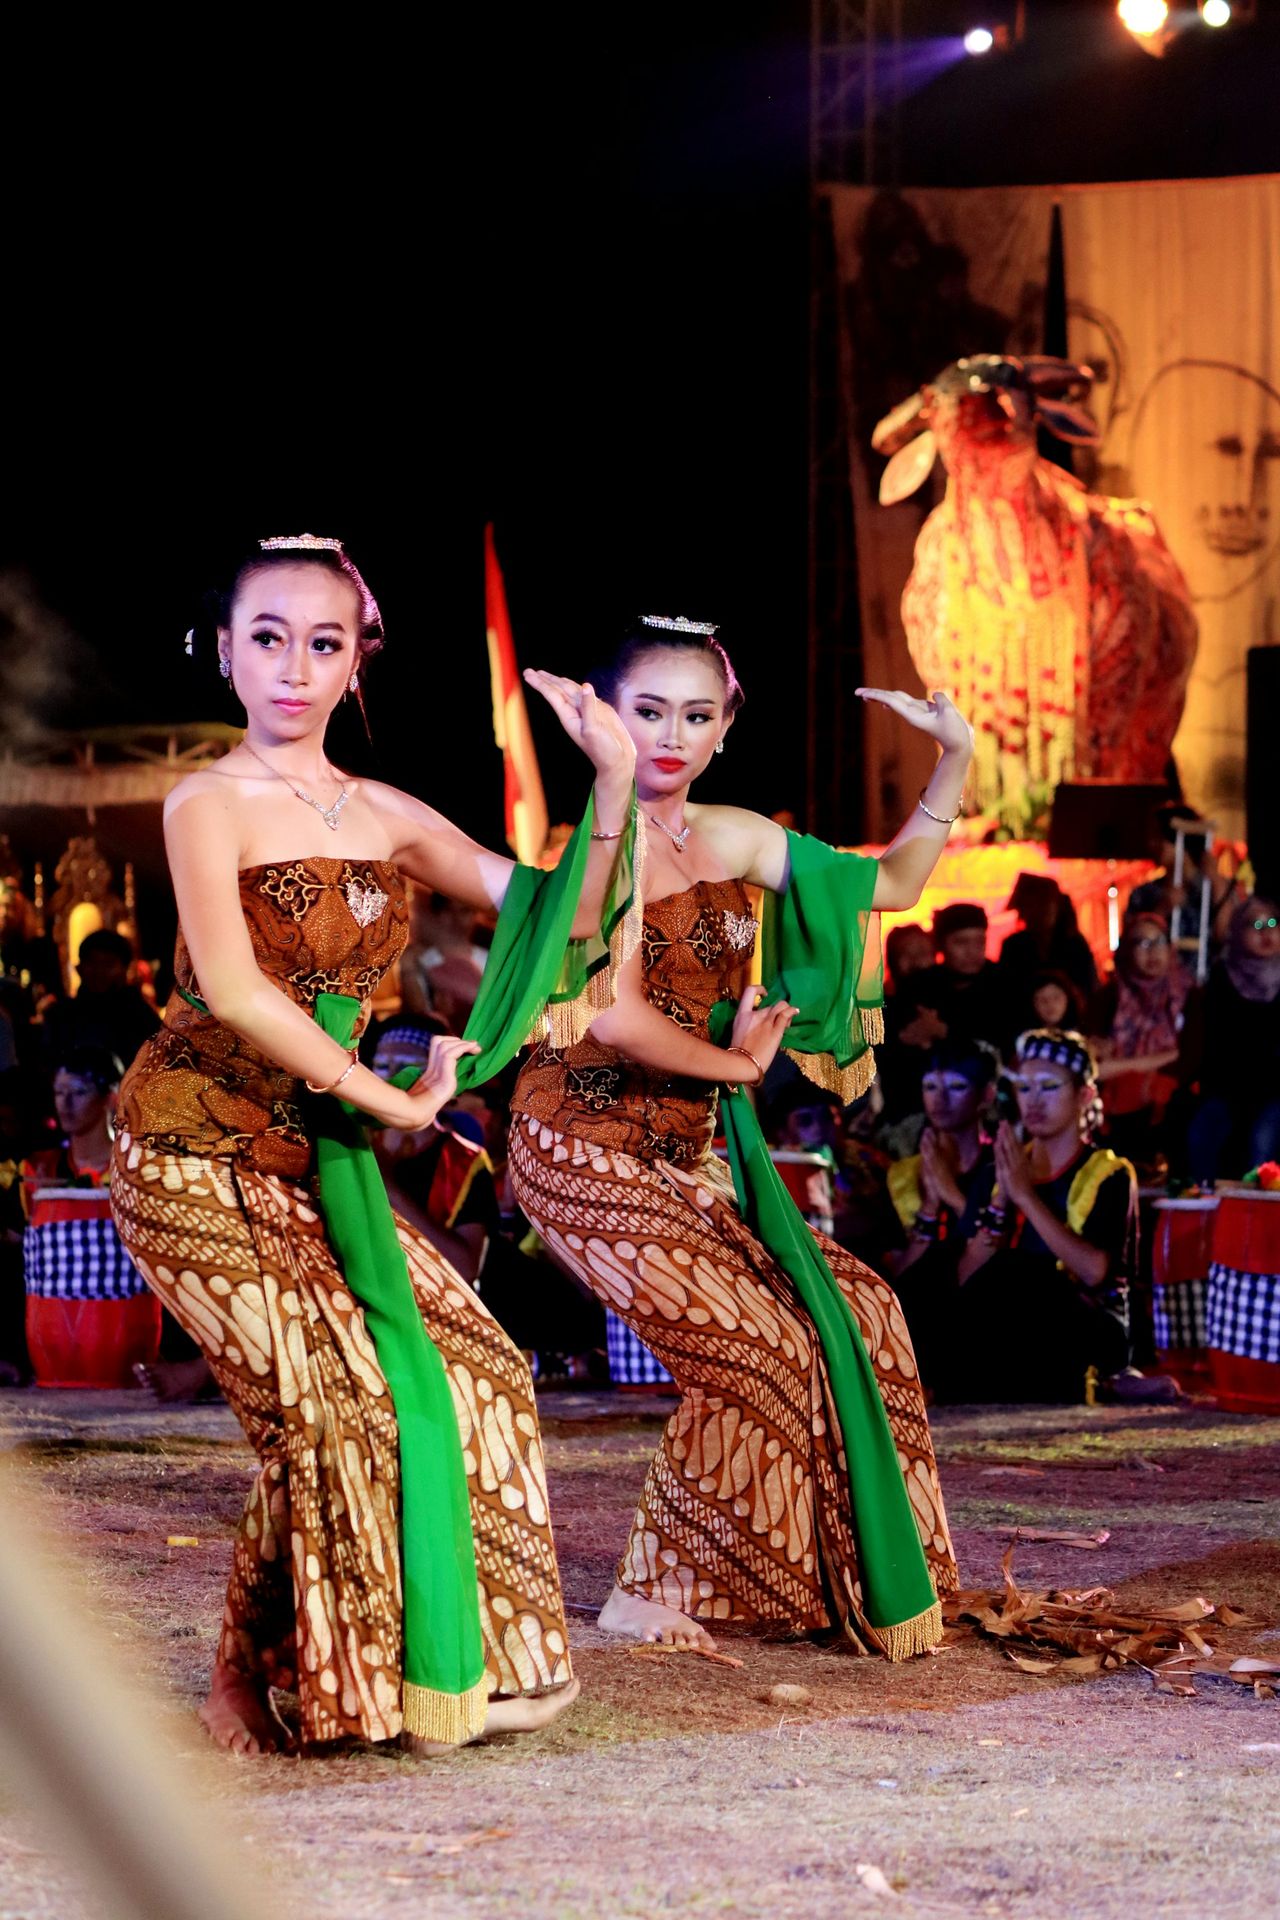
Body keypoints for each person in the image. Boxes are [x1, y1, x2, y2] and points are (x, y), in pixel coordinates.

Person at [110, 533, 638, 1757]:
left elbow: (557, 922)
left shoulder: (391, 815)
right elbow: (237, 993)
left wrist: (610, 788)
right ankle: (244, 1677)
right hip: (185, 1149)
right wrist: (394, 1100)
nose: (296, 666)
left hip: (317, 1164)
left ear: (360, 662)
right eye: (270, 637)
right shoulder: (205, 802)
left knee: (484, 1374)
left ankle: (465, 1664)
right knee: (324, 1406)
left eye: (326, 642)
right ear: (224, 654)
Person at [508, 615, 967, 1661]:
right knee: (750, 1349)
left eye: (696, 714)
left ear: (724, 728)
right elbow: (612, 1011)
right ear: (604, 718)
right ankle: (647, 1589)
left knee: (864, 1310)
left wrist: (955, 758)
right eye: (648, 710)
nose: (671, 734)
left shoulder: (738, 836)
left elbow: (890, 887)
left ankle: (845, 1576)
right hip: (577, 1148)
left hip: (685, 1159)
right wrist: (738, 1068)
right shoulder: (585, 846)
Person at [942, 1030, 1134, 1403]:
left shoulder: (1109, 1173)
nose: (1033, 1101)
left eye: (1048, 1087)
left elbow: (1095, 1271)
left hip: (1085, 1322)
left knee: (1024, 1274)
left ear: (1084, 1095)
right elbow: (967, 1275)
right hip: (1013, 1319)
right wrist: (1001, 1200)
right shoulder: (1002, 1167)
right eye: (1025, 1088)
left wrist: (1026, 1197)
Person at [886, 1039, 997, 1390]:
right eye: (930, 1087)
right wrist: (931, 1208)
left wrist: (952, 1192)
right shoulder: (905, 1174)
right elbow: (898, 1275)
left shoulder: (1002, 1166)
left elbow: (1005, 1250)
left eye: (957, 1087)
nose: (940, 1099)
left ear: (987, 1096)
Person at [1182, 895, 1280, 1182]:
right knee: (1202, 1134)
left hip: (1275, 1090)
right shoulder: (1222, 979)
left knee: (1263, 1140)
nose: (1266, 932)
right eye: (1255, 924)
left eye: (1272, 923)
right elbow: (1213, 1046)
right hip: (1229, 1089)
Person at [1087, 911, 1192, 1170]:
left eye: (1158, 942)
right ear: (1127, 951)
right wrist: (1161, 1057)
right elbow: (1094, 1065)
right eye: (1141, 943)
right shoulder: (1108, 998)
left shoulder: (1188, 996)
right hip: (1115, 1106)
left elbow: (1189, 1057)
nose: (1152, 952)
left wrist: (1121, 1064)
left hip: (1171, 1101)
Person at [43, 929, 159, 1069]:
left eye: (108, 964)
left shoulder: (140, 1016)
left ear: (125, 968)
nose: (99, 971)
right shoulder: (62, 1016)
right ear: (79, 968)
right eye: (92, 962)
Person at [999, 873, 1097, 1008]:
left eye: (1048, 903)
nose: (1044, 911)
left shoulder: (1074, 945)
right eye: (1035, 905)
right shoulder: (1014, 946)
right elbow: (1007, 994)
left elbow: (1089, 990)